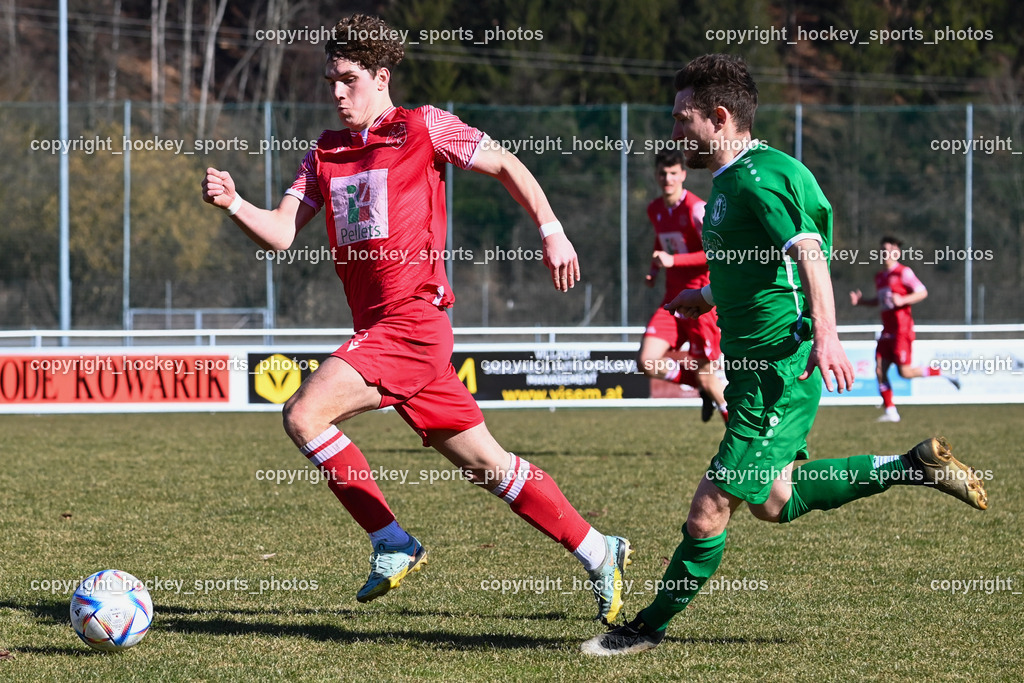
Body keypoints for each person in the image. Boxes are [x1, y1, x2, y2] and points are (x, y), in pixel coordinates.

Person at [201, 14, 631, 624]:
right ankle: (599, 549)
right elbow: (278, 234)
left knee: (304, 413)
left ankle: (393, 542)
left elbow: (507, 164)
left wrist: (552, 230)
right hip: (381, 333)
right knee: (490, 466)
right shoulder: (323, 152)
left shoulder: (423, 127)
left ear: (380, 77)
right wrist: (236, 202)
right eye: (331, 80)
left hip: (413, 323)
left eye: (349, 79)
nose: (337, 92)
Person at [582, 54, 988, 656]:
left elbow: (809, 253)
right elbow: (759, 264)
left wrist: (825, 332)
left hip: (780, 367)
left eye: (681, 118)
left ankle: (647, 626)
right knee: (775, 500)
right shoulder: (726, 186)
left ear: (718, 118)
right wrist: (707, 292)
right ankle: (913, 465)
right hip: (753, 371)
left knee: (708, 511)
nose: (672, 131)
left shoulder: (760, 176)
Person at [639, 149, 728, 423]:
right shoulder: (655, 209)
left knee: (713, 382)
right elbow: (661, 242)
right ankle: (701, 383)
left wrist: (673, 261)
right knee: (647, 362)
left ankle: (739, 435)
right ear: (656, 175)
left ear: (683, 175)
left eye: (673, 173)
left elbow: (716, 252)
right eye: (663, 173)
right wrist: (655, 269)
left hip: (700, 303)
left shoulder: (696, 209)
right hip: (671, 303)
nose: (668, 178)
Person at [850, 236, 960, 422]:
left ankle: (941, 372)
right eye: (882, 249)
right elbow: (880, 301)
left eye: (888, 249)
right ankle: (891, 411)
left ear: (897, 252)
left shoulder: (904, 272)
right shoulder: (880, 276)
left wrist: (903, 300)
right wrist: (862, 302)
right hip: (887, 330)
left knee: (905, 372)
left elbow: (922, 292)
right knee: (879, 370)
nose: (884, 253)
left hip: (902, 329)